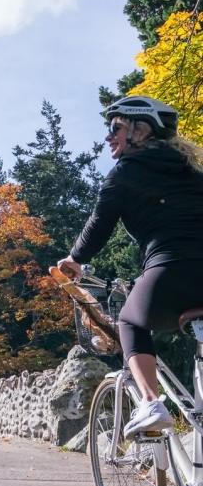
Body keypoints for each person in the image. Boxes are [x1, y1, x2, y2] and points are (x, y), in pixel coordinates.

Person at [57, 95, 203, 438]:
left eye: (115, 128)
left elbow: (100, 221)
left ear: (140, 130)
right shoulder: (195, 174)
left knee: (130, 321)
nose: (109, 137)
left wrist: (74, 259)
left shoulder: (127, 172)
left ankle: (151, 403)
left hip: (170, 269)